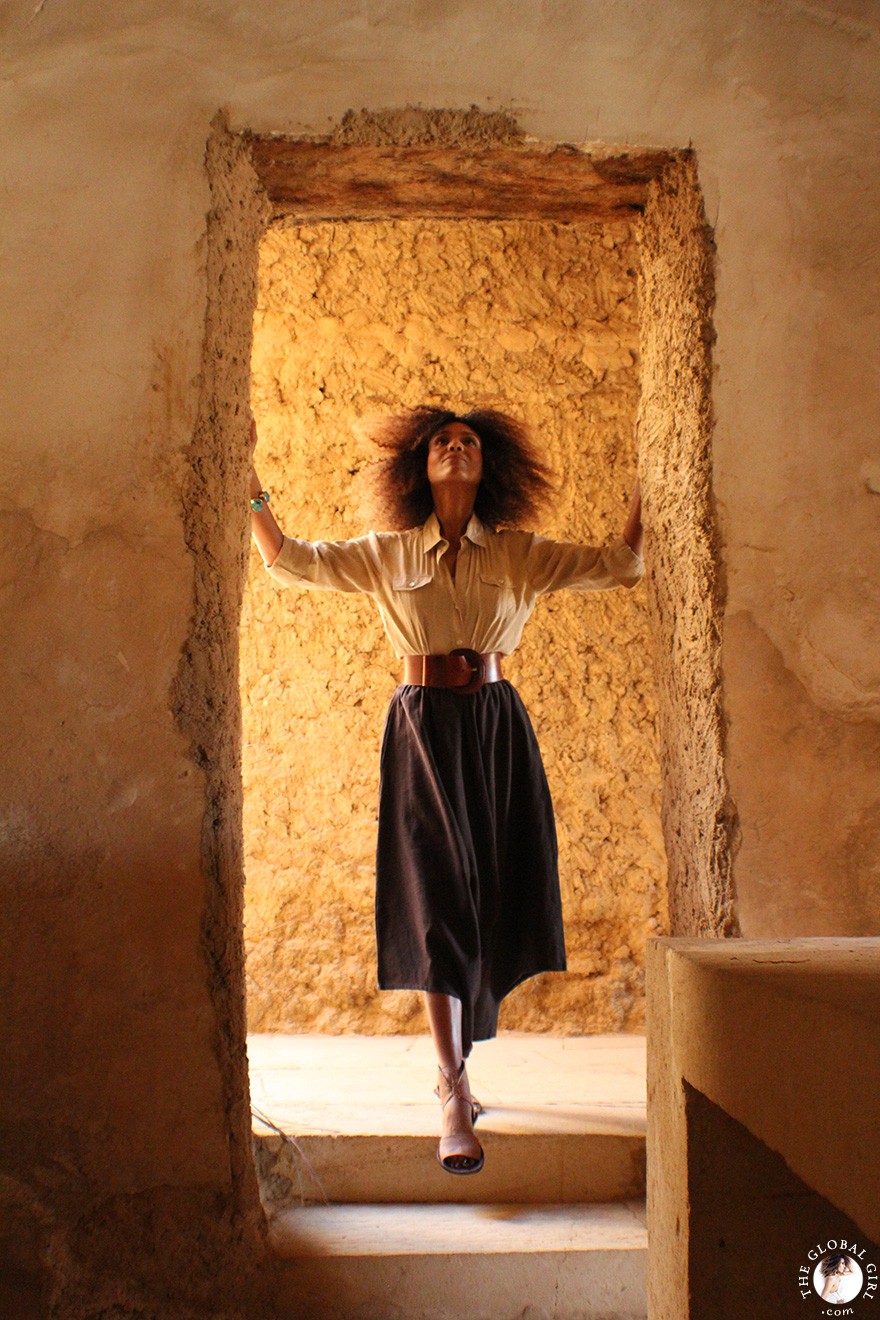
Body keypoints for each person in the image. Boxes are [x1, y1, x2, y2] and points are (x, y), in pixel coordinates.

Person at [247, 405, 644, 1175]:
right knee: (436, 895)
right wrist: (251, 486)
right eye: (441, 442)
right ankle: (453, 1089)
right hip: (422, 725)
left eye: (468, 442)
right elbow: (292, 560)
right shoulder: (390, 554)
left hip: (496, 727)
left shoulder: (521, 555)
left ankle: (463, 1056)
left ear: (486, 465)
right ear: (418, 467)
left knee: (489, 893)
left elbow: (621, 564)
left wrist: (646, 484)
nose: (455, 448)